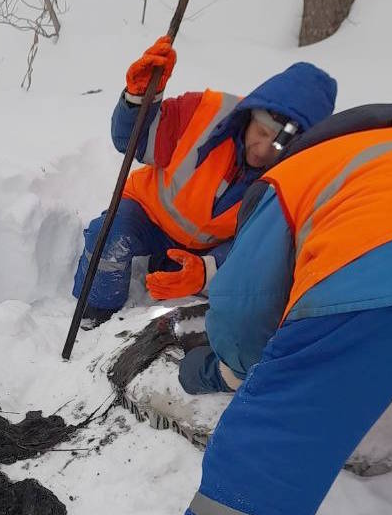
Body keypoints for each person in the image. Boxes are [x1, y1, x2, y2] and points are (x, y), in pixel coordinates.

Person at [139, 103, 392, 515]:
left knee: (280, 426)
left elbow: (244, 313)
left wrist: (226, 370)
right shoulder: (383, 153)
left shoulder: (292, 177)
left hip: (379, 275)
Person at [72, 36, 337, 327]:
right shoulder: (203, 113)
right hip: (147, 212)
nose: (262, 151)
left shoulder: (294, 179)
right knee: (109, 236)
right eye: (261, 132)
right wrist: (138, 100)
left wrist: (207, 269)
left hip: (206, 247)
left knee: (238, 285)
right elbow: (132, 140)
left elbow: (258, 246)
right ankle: (95, 314)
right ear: (250, 115)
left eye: (277, 146)